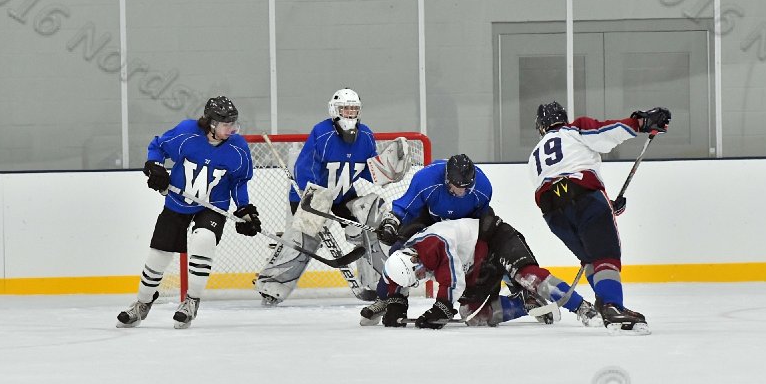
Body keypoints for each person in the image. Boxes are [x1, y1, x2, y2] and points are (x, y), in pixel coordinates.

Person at [116, 96, 262, 329]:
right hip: (178, 201)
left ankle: (191, 302)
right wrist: (155, 166)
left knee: (204, 240)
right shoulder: (186, 133)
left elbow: (239, 182)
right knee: (158, 255)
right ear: (212, 123)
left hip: (213, 206)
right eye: (226, 124)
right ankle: (142, 303)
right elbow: (157, 146)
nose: (232, 129)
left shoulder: (238, 148)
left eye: (234, 123)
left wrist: (244, 209)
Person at [255, 88, 410, 305]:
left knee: (372, 213)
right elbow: (305, 166)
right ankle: (271, 287)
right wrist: (310, 200)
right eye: (345, 109)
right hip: (311, 194)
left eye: (354, 109)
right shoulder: (323, 132)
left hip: (342, 196)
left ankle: (376, 283)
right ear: (334, 110)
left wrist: (386, 171)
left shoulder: (365, 135)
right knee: (304, 239)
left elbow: (365, 169)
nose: (349, 114)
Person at [529, 101, 671, 335]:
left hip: (553, 214)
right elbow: (607, 133)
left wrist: (607, 206)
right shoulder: (574, 130)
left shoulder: (534, 156)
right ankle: (612, 305)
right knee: (605, 253)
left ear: (541, 126)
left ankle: (604, 302)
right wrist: (641, 123)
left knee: (591, 258)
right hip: (584, 196)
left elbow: (559, 190)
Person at [376, 216, 601, 329]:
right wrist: (396, 303)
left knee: (528, 275)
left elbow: (452, 280)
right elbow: (392, 278)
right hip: (477, 261)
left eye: (418, 273)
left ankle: (582, 307)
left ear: (414, 258)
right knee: (472, 314)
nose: (422, 276)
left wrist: (441, 308)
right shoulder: (402, 258)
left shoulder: (435, 244)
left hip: (494, 238)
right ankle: (527, 302)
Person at [359, 154, 493, 324]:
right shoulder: (426, 179)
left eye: (465, 188)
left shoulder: (483, 188)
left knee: (477, 257)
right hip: (429, 219)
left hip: (458, 228)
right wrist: (390, 224)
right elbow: (405, 206)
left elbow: (481, 220)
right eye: (455, 186)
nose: (460, 192)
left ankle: (459, 300)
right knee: (398, 251)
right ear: (446, 178)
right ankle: (388, 298)